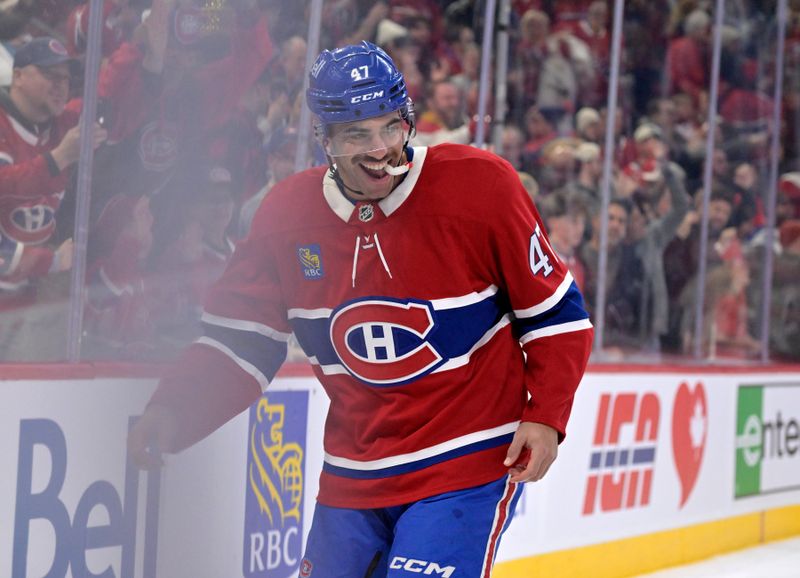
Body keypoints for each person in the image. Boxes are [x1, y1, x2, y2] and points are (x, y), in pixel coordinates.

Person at [128, 41, 593, 576]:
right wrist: (174, 409)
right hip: (353, 474)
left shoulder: (481, 187)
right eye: (356, 134)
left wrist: (546, 415)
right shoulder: (286, 215)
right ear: (324, 138)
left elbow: (557, 316)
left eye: (390, 127)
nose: (379, 149)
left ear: (409, 120)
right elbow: (240, 342)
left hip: (467, 461)